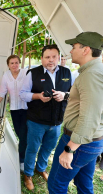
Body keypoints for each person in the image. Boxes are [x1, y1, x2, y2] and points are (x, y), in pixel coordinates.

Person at [47, 32, 103, 193]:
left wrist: (69, 149)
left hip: (79, 142)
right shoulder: (95, 71)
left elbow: (90, 115)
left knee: (56, 184)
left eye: (74, 47)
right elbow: (92, 101)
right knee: (84, 184)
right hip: (91, 140)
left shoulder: (92, 74)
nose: (70, 51)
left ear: (86, 50)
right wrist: (66, 95)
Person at [19, 44, 74, 190]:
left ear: (59, 57)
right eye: (47, 57)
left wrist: (65, 95)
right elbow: (23, 94)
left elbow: (74, 94)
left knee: (48, 148)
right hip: (36, 120)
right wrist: (38, 96)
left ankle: (41, 168)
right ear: (42, 58)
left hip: (56, 122)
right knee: (32, 148)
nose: (51, 60)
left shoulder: (67, 73)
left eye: (54, 57)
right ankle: (28, 173)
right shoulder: (33, 73)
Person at [0, 55, 28, 172]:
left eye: (16, 63)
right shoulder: (6, 75)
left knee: (24, 135)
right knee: (19, 133)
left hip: (26, 108)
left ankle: (22, 160)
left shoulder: (25, 73)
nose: (14, 65)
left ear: (19, 63)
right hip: (14, 109)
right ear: (8, 65)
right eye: (12, 63)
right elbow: (2, 92)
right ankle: (24, 152)